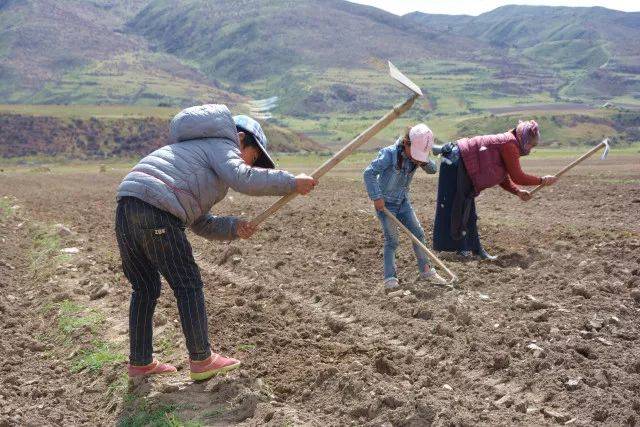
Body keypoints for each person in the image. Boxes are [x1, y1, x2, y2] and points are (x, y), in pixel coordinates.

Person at [115, 104, 317, 380]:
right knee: (188, 284)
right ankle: (202, 359)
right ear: (242, 138)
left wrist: (234, 227)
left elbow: (200, 221)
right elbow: (243, 179)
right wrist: (292, 182)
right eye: (253, 156)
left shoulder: (193, 155)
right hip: (157, 209)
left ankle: (140, 363)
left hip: (127, 207)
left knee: (145, 287)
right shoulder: (221, 143)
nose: (250, 163)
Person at [432, 120, 557, 260]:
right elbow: (517, 176)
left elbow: (501, 174)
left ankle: (473, 250)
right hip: (456, 164)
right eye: (530, 144)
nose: (530, 149)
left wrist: (517, 191)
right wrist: (542, 180)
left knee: (467, 212)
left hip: (461, 165)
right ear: (524, 138)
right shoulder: (510, 145)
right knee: (456, 208)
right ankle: (458, 250)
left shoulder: (510, 142)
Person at [364, 124, 447, 290]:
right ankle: (390, 278)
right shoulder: (390, 154)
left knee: (418, 234)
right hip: (385, 205)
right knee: (392, 240)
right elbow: (369, 173)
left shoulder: (418, 158)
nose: (416, 158)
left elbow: (432, 169)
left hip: (403, 202)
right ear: (406, 143)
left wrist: (422, 161)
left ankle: (426, 271)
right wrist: (376, 197)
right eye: (415, 153)